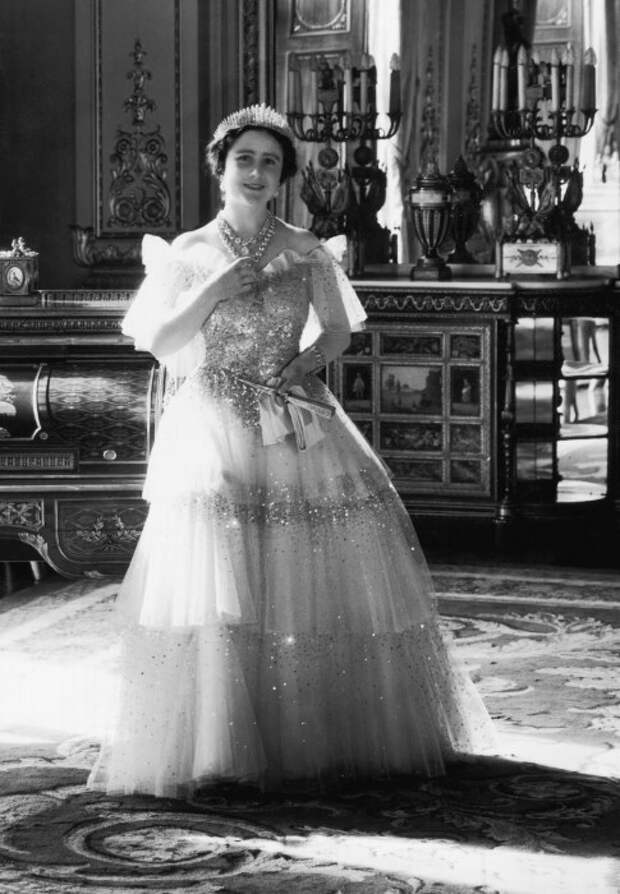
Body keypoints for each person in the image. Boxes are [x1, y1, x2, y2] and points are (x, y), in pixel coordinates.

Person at [88, 104, 496, 798]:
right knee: (217, 575)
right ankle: (218, 739)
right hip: (213, 417)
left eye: (269, 163)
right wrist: (215, 287)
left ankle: (309, 732)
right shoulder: (188, 251)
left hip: (291, 416)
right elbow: (160, 342)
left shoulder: (306, 249)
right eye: (244, 159)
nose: (255, 172)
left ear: (283, 178)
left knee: (304, 573)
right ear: (221, 168)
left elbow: (337, 332)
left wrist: (299, 368)